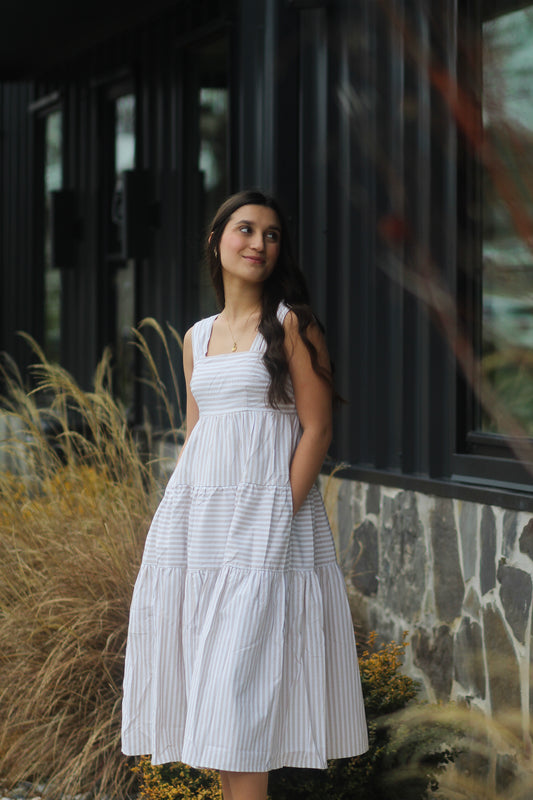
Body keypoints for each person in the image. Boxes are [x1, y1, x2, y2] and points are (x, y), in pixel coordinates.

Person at [122, 190, 368, 800]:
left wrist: (278, 511)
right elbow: (196, 432)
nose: (259, 243)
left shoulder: (292, 323)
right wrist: (173, 518)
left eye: (272, 234)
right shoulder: (196, 337)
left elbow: (317, 428)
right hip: (198, 526)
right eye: (246, 229)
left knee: (238, 686)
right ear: (217, 240)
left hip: (268, 521)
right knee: (211, 689)